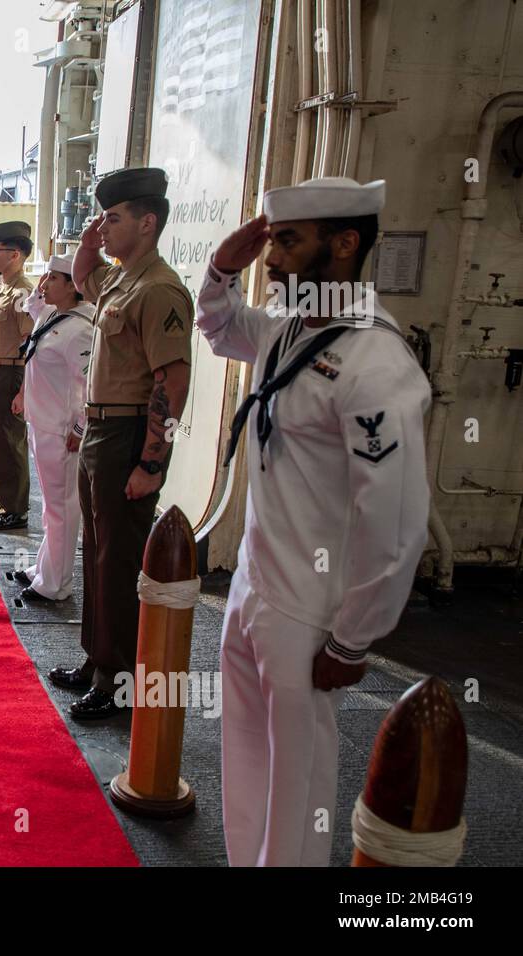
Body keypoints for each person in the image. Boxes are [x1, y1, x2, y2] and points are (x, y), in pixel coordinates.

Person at [197, 177, 430, 866]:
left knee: (297, 786)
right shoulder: (287, 328)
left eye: (289, 242)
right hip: (252, 587)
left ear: (345, 242)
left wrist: (355, 639)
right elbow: (216, 326)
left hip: (310, 609)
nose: (275, 259)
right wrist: (220, 267)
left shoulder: (374, 361)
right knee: (244, 760)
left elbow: (395, 522)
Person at [49, 166, 193, 720]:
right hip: (102, 432)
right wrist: (91, 240)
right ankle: (96, 660)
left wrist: (153, 463)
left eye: (113, 218)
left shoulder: (159, 288)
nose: (102, 228)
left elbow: (172, 383)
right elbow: (85, 279)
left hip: (130, 433)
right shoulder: (123, 279)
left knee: (119, 559)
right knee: (98, 552)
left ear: (147, 222)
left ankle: (119, 680)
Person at [12, 255, 94, 602]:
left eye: (53, 279)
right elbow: (31, 304)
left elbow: (89, 385)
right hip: (41, 421)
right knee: (51, 505)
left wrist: (79, 427)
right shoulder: (51, 315)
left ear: (74, 285)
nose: (44, 285)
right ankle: (44, 568)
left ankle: (56, 583)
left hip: (61, 430)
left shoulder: (81, 328)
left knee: (62, 507)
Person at [0, 221, 35, 530]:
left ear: (14, 255)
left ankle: (16, 510)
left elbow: (31, 342)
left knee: (11, 443)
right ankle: (5, 503)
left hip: (12, 372)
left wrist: (23, 390)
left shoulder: (23, 291)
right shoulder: (5, 287)